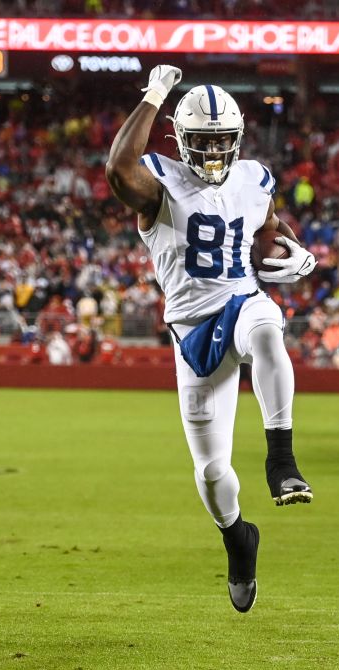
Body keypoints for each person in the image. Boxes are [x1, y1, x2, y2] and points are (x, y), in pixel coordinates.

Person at [105, 65, 317, 612]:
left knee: (268, 330)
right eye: (203, 141)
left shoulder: (255, 178)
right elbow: (117, 168)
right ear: (180, 140)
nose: (216, 152)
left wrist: (293, 255)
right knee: (213, 471)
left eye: (224, 140)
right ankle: (237, 538)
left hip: (241, 302)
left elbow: (267, 232)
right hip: (193, 332)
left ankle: (282, 459)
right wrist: (153, 96)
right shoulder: (160, 179)